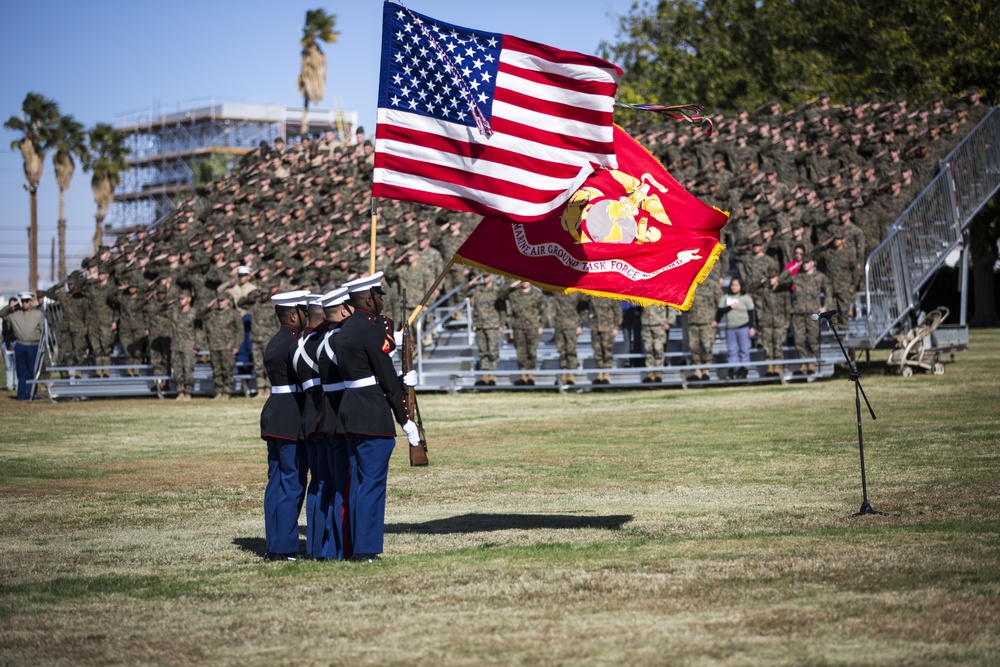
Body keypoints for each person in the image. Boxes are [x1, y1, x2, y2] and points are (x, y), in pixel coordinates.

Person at [330, 273, 420, 562]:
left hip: (350, 410)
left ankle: (353, 544)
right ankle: (365, 549)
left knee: (358, 482)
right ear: (368, 299)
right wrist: (406, 419)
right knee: (371, 485)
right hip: (371, 413)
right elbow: (383, 377)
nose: (382, 299)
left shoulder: (347, 329)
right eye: (379, 295)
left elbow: (367, 372)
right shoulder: (368, 329)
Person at [261, 290, 311, 561]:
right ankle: (284, 547)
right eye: (304, 311)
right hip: (292, 416)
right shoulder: (295, 343)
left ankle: (274, 544)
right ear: (294, 315)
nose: (307, 316)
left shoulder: (275, 340)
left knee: (277, 482)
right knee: (292, 483)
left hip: (275, 414)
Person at [0, 293, 44, 400]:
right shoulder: (15, 314)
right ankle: (21, 395)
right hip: (20, 345)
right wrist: (11, 306)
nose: (24, 303)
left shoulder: (38, 314)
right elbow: (2, 314)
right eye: (22, 301)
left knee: (32, 372)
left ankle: (31, 394)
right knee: (21, 372)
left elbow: (43, 329)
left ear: (31, 301)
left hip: (33, 345)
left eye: (26, 301)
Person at [502, 281, 545, 386]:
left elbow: (543, 311)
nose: (525, 282)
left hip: (533, 327)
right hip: (518, 327)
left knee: (532, 352)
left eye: (526, 280)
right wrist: (515, 283)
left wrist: (541, 325)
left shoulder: (537, 294)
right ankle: (523, 376)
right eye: (522, 280)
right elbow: (501, 294)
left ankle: (531, 375)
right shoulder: (514, 294)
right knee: (520, 353)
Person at [712, 277, 755, 379]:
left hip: (743, 327)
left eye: (736, 285)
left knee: (744, 350)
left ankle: (744, 371)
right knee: (732, 351)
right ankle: (732, 370)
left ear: (741, 286)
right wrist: (730, 308)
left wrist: (752, 327)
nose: (734, 287)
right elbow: (720, 311)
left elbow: (751, 313)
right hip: (730, 328)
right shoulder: (726, 297)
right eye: (732, 285)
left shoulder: (746, 298)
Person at [686, 275, 723, 381]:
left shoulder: (713, 286)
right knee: (694, 347)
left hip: (708, 323)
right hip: (693, 321)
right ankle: (697, 371)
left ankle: (706, 370)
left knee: (707, 347)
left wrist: (717, 320)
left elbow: (720, 304)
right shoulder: (691, 285)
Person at [549, 291, 586, 385]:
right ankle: (563, 374)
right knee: (561, 351)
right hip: (559, 325)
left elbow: (584, 305)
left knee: (571, 350)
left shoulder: (577, 293)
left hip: (572, 325)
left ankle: (571, 376)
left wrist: (581, 324)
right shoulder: (556, 291)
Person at [588, 296, 622, 384]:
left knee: (607, 351)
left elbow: (618, 311)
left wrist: (616, 327)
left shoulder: (611, 294)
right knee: (597, 351)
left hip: (608, 327)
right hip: (595, 327)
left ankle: (606, 374)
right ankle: (599, 374)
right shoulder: (593, 295)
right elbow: (582, 299)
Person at [640, 304, 676, 383]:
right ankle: (650, 373)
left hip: (659, 324)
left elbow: (671, 306)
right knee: (648, 349)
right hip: (646, 324)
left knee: (658, 349)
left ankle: (659, 373)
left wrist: (669, 322)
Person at [3, 297, 17, 391]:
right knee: (9, 366)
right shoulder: (6, 318)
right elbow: (5, 332)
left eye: (14, 304)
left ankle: (17, 384)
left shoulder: (18, 316)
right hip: (6, 343)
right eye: (10, 305)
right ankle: (9, 386)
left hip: (16, 342)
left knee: (17, 365)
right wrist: (8, 344)